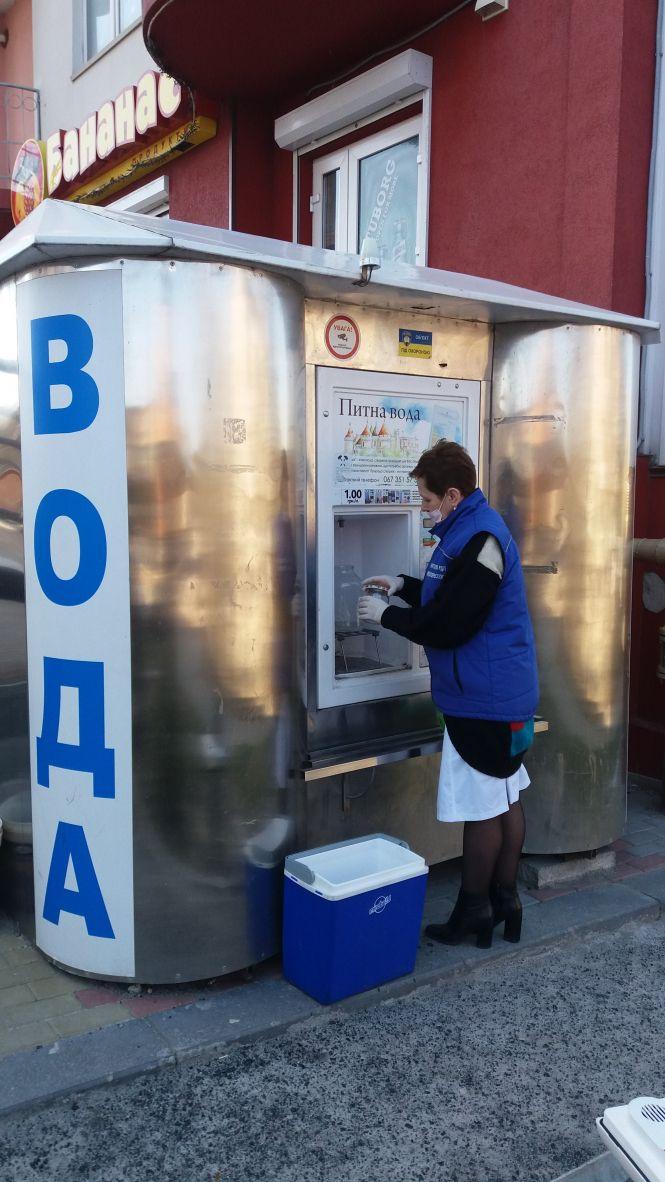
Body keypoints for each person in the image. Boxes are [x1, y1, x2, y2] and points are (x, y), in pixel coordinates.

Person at [357, 440, 538, 950]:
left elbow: (453, 623)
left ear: (452, 494)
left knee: (484, 806)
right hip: (503, 693)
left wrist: (386, 617)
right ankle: (506, 902)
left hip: (484, 699)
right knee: (506, 795)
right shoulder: (470, 531)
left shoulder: (481, 541)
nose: (422, 505)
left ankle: (474, 910)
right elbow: (451, 595)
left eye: (426, 496)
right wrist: (403, 584)